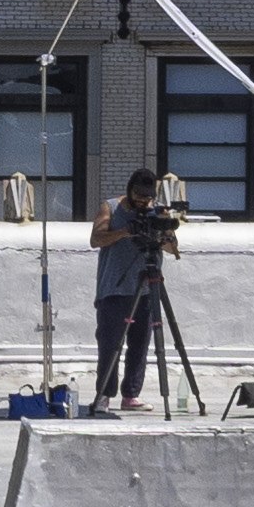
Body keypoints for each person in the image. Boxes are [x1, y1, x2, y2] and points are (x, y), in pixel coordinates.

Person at [88, 164, 183, 409]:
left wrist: (163, 229)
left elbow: (174, 250)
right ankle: (104, 395)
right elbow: (95, 239)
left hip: (145, 289)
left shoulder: (156, 211)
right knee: (110, 345)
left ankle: (131, 394)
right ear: (130, 191)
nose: (143, 203)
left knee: (140, 345)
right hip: (115, 288)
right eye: (139, 198)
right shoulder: (111, 207)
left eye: (147, 199)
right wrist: (123, 232)